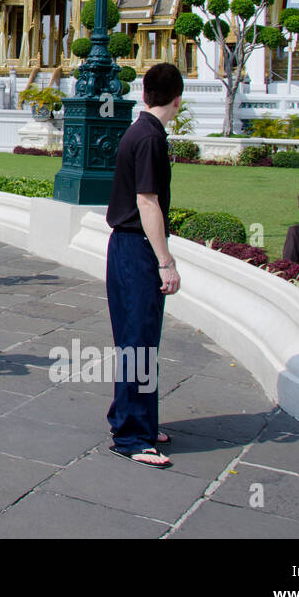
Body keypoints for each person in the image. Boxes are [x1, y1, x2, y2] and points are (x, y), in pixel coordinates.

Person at [105, 62, 183, 469]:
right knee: (138, 342)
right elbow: (147, 201)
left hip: (125, 247)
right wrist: (165, 262)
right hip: (137, 248)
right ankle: (132, 437)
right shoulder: (150, 137)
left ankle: (134, 420)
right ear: (177, 99)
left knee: (138, 341)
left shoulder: (138, 131)